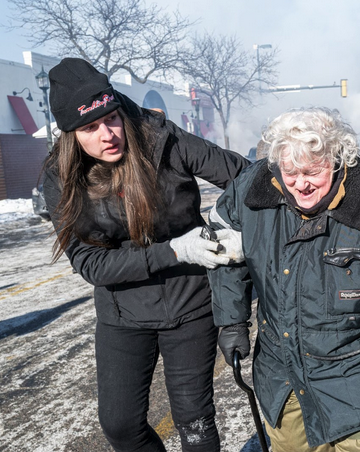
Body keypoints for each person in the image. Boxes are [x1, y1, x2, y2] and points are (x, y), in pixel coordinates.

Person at [207, 107, 360, 451]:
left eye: (312, 171)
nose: (300, 184)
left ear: (338, 159)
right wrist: (231, 320)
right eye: (289, 172)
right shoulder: (253, 189)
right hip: (283, 376)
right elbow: (222, 241)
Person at [42, 58, 249, 452]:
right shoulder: (59, 176)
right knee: (120, 426)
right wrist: (174, 249)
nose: (107, 134)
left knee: (195, 423)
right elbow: (91, 264)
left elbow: (244, 175)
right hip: (123, 312)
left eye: (112, 118)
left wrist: (233, 225)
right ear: (70, 134)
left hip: (190, 302)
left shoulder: (161, 138)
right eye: (90, 128)